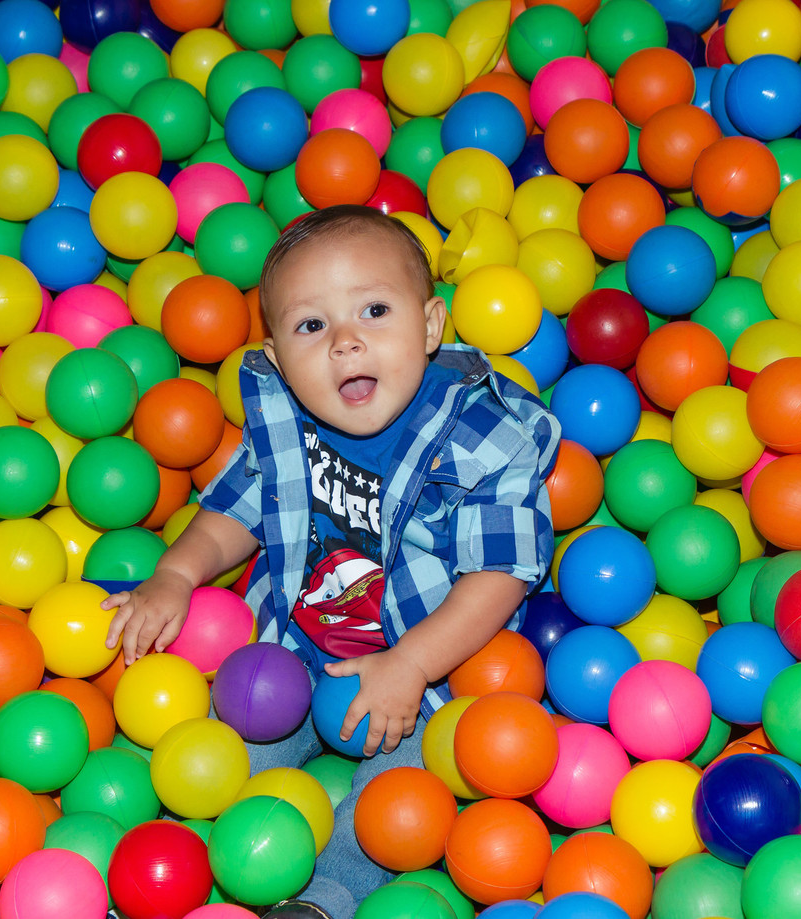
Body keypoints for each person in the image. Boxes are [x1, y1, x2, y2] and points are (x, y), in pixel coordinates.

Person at [101, 205, 561, 917]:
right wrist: (177, 573)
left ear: (432, 325)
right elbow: (236, 508)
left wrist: (410, 664)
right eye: (311, 326)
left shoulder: (482, 438)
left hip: (429, 667)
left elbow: (497, 574)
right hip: (299, 647)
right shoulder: (289, 418)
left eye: (374, 310)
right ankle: (182, 868)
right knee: (223, 762)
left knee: (399, 796)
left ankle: (326, 896)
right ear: (281, 357)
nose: (346, 342)